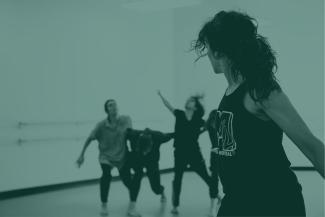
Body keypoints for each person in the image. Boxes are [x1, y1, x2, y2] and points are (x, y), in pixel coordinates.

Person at [192, 10, 325, 216]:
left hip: (274, 203)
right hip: (237, 200)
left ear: (219, 50)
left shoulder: (259, 90)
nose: (206, 53)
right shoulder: (231, 90)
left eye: (207, 46)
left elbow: (312, 146)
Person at [158, 91, 221, 216]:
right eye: (189, 100)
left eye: (192, 100)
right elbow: (168, 106)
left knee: (206, 177)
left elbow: (210, 126)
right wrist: (161, 96)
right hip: (179, 153)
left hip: (194, 154)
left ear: (196, 106)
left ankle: (216, 194)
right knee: (177, 180)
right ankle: (175, 206)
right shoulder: (179, 114)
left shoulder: (199, 120)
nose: (188, 101)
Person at [76, 99, 141, 217]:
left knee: (128, 182)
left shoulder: (126, 120)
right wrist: (81, 155)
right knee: (106, 175)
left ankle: (132, 207)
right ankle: (104, 205)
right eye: (110, 105)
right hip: (106, 156)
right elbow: (90, 138)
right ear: (107, 110)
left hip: (122, 156)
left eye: (115, 104)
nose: (114, 106)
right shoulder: (101, 125)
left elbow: (131, 136)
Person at [126, 128, 174, 203]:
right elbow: (122, 132)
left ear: (151, 144)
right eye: (143, 151)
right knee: (136, 178)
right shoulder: (133, 135)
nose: (145, 153)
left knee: (156, 188)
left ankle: (161, 192)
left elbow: (173, 135)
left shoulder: (159, 137)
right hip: (138, 159)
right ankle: (133, 198)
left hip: (152, 162)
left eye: (146, 151)